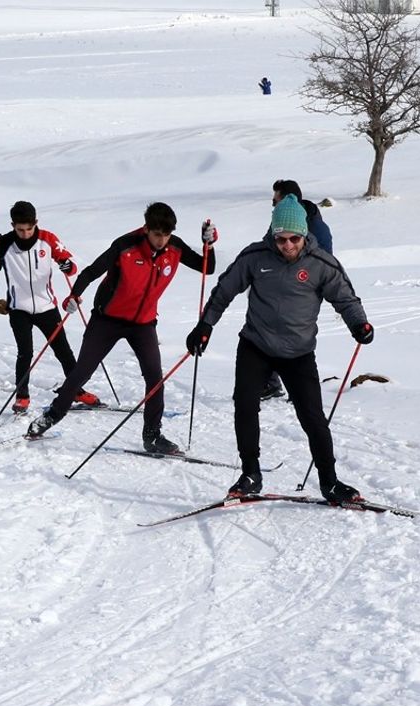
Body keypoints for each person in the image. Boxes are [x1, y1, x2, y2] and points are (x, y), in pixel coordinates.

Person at [185, 195, 373, 504]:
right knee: (245, 405)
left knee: (312, 417)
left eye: (293, 238)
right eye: (280, 238)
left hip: (298, 352)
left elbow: (345, 298)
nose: (286, 245)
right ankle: (250, 474)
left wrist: (359, 324)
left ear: (304, 235)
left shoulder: (321, 263)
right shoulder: (256, 256)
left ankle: (330, 482)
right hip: (256, 344)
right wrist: (205, 325)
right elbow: (225, 290)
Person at [26, 202, 217, 453]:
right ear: (147, 229)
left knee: (155, 379)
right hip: (107, 321)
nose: (162, 240)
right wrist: (74, 295)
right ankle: (52, 415)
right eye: (157, 234)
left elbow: (208, 268)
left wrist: (209, 245)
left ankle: (152, 436)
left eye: (166, 235)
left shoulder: (174, 247)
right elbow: (91, 272)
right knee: (81, 372)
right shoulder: (125, 245)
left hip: (143, 324)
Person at [0, 200, 101, 413]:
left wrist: (67, 266)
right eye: (19, 229)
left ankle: (76, 391)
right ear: (13, 225)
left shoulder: (48, 239)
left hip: (46, 306)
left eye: (29, 228)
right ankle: (22, 396)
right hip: (18, 308)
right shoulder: (4, 243)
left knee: (64, 351)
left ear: (36, 223)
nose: (24, 233)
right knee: (25, 352)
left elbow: (70, 266)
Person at [262, 179, 334, 400]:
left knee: (294, 336)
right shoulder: (280, 222)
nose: (273, 205)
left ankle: (298, 386)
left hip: (304, 291)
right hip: (277, 287)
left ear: (288, 198)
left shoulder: (315, 226)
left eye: (276, 200)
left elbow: (326, 263)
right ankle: (272, 382)